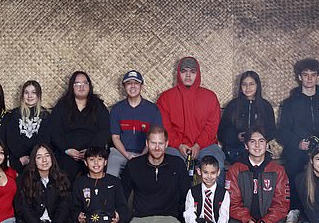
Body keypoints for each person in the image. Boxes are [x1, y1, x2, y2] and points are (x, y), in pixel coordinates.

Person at [278, 59, 319, 223]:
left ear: (317, 77)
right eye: (305, 75)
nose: (309, 79)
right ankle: (294, 209)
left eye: (313, 75)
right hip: (299, 149)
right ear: (300, 77)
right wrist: (298, 143)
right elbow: (282, 131)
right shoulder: (290, 103)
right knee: (293, 167)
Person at [157, 56, 226, 184]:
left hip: (205, 146)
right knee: (170, 168)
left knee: (218, 166)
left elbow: (211, 128)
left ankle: (217, 202)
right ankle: (176, 204)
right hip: (175, 146)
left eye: (192, 72)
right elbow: (165, 128)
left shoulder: (210, 97)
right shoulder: (166, 98)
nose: (188, 75)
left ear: (198, 73)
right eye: (184, 71)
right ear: (178, 73)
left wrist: (198, 145)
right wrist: (179, 144)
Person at [49, 71, 110, 181]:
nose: (81, 87)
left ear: (89, 86)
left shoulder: (98, 106)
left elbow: (104, 131)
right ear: (71, 86)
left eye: (84, 83)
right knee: (64, 176)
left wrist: (90, 150)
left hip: (92, 152)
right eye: (77, 84)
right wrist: (67, 150)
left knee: (93, 169)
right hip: (67, 152)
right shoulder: (62, 106)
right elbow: (54, 132)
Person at [107, 70, 163, 178]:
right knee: (111, 175)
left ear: (142, 86)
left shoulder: (152, 109)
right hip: (121, 152)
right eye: (129, 83)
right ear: (124, 86)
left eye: (136, 83)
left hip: (146, 153)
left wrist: (142, 156)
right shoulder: (117, 109)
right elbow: (115, 137)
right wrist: (127, 155)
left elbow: (155, 138)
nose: (132, 86)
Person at [218, 71, 277, 164]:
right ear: (240, 87)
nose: (248, 88)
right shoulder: (232, 106)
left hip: (259, 149)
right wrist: (236, 137)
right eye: (244, 84)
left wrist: (257, 139)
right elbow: (222, 132)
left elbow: (272, 130)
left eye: (251, 84)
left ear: (257, 86)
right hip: (236, 149)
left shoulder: (265, 106)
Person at [6, 80, 50, 173]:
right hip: (18, 157)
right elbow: (11, 138)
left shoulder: (45, 115)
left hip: (38, 158)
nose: (30, 96)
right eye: (26, 93)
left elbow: (45, 139)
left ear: (39, 95)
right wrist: (21, 157)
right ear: (22, 95)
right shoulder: (14, 114)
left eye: (33, 92)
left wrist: (34, 157)